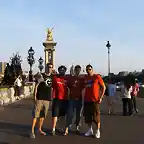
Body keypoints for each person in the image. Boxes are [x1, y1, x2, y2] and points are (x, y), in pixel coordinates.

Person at [30, 63, 53, 139]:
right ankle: (32, 131)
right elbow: (37, 86)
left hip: (47, 99)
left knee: (43, 116)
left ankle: (39, 129)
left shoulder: (52, 76)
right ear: (46, 67)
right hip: (40, 98)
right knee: (36, 115)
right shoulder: (42, 75)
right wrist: (35, 96)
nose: (50, 68)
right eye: (48, 67)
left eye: (51, 67)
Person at [83, 64, 106, 138]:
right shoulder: (85, 78)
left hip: (95, 100)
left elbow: (103, 87)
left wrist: (101, 97)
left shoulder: (97, 77)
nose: (88, 71)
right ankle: (90, 130)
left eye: (89, 69)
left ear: (92, 69)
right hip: (87, 100)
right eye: (87, 69)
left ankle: (97, 131)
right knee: (88, 116)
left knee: (96, 117)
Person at [65, 65, 83, 135]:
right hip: (71, 99)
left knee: (78, 115)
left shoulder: (81, 79)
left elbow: (84, 88)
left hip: (79, 99)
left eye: (79, 70)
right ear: (75, 70)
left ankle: (77, 128)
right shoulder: (70, 78)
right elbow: (67, 87)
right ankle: (67, 128)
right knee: (70, 114)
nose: (78, 71)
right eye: (77, 70)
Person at [51, 65, 69, 136]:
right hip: (57, 99)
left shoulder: (67, 79)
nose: (62, 71)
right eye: (60, 70)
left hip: (65, 100)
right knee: (55, 115)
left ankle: (62, 128)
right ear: (59, 71)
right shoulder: (55, 78)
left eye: (63, 70)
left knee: (63, 115)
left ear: (65, 71)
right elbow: (51, 85)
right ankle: (53, 129)